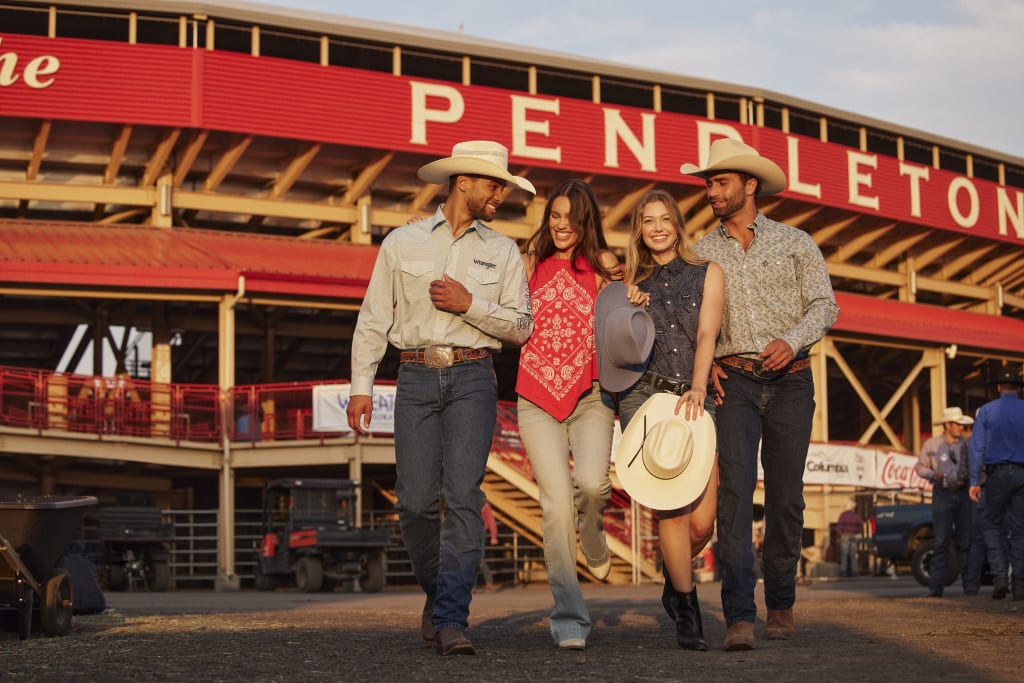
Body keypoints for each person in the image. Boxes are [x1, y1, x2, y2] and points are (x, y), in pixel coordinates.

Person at [347, 140, 535, 656]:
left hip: (474, 377)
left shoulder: (503, 251)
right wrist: (361, 386)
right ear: (463, 182)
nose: (501, 193)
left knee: (462, 499)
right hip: (414, 378)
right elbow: (373, 319)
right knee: (412, 503)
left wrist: (469, 303)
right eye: (494, 183)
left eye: (504, 185)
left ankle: (453, 618)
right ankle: (440, 592)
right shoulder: (401, 243)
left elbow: (522, 326)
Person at [682, 138, 839, 651]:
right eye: (708, 183)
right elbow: (684, 322)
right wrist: (702, 368)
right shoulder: (700, 253)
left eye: (720, 182)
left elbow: (824, 306)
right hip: (735, 384)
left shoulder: (797, 242)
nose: (711, 191)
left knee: (787, 499)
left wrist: (791, 340)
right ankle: (738, 615)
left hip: (792, 379)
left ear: (750, 185)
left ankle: (782, 606)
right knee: (734, 495)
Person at [599, 188, 723, 650]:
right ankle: (688, 613)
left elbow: (708, 331)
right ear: (639, 229)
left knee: (702, 520)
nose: (656, 227)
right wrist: (627, 304)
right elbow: (615, 336)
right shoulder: (632, 280)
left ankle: (675, 579)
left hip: (694, 394)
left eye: (663, 219)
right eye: (647, 221)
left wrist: (698, 383)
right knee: (671, 507)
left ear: (676, 223)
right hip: (643, 395)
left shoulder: (707, 272)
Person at [515, 178, 621, 651]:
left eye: (571, 219)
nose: (561, 226)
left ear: (585, 223)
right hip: (535, 396)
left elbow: (629, 313)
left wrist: (633, 295)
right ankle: (569, 617)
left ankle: (593, 533)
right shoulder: (526, 262)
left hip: (592, 395)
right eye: (555, 216)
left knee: (594, 485)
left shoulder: (603, 266)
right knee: (555, 505)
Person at [969, 366, 1024, 601]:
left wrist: (974, 481)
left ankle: (1000, 577)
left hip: (996, 474)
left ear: (999, 387)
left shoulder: (986, 411)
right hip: (1022, 474)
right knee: (1020, 531)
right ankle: (1020, 586)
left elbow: (977, 447)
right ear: (1019, 388)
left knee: (992, 525)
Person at [914, 406, 973, 597]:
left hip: (962, 492)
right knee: (941, 541)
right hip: (943, 492)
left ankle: (970, 586)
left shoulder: (966, 444)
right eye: (958, 424)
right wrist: (934, 474)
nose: (961, 428)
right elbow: (920, 467)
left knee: (966, 540)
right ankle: (936, 586)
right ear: (948, 425)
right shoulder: (931, 444)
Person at [835, 500, 863, 578]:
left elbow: (838, 527)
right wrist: (857, 532)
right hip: (854, 536)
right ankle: (854, 572)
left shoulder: (843, 515)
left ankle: (843, 572)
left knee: (844, 555)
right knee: (853, 555)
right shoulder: (855, 515)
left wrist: (840, 535)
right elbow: (861, 525)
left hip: (845, 535)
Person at [476, 500, 498, 592]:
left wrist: (494, 536)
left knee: (479, 559)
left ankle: (488, 581)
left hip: (480, 532)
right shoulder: (469, 502)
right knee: (471, 558)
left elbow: (490, 521)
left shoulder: (484, 505)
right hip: (470, 532)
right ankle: (472, 585)